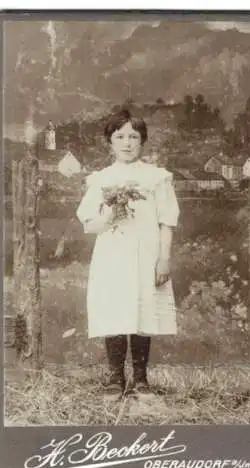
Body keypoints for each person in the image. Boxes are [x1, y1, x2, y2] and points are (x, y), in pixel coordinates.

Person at [76, 109, 180, 401]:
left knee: (143, 308)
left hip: (147, 253)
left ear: (142, 141)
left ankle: (141, 379)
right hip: (113, 254)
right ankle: (114, 378)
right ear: (109, 141)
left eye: (133, 136)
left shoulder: (158, 178)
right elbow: (89, 224)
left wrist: (164, 258)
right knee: (115, 308)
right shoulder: (100, 180)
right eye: (119, 136)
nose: (126, 142)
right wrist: (110, 214)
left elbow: (167, 221)